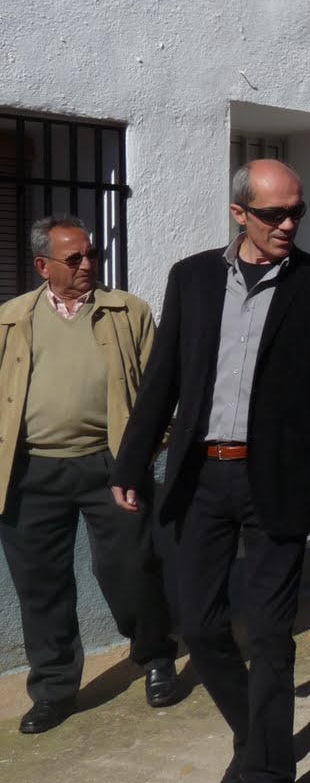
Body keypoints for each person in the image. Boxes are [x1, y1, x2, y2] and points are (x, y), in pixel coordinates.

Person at [111, 159, 310, 783]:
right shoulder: (192, 277)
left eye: (297, 210)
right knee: (200, 629)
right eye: (274, 214)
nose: (289, 224)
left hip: (276, 485)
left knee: (268, 637)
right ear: (240, 213)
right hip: (199, 479)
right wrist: (133, 462)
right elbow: (164, 376)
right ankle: (254, 736)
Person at [0, 215, 178, 734]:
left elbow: (158, 388)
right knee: (41, 584)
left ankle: (156, 657)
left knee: (130, 567)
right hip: (30, 470)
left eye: (90, 255)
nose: (86, 265)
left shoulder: (128, 311)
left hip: (111, 465)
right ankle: (54, 689)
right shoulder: (11, 319)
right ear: (42, 266)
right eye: (73, 259)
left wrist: (146, 450)